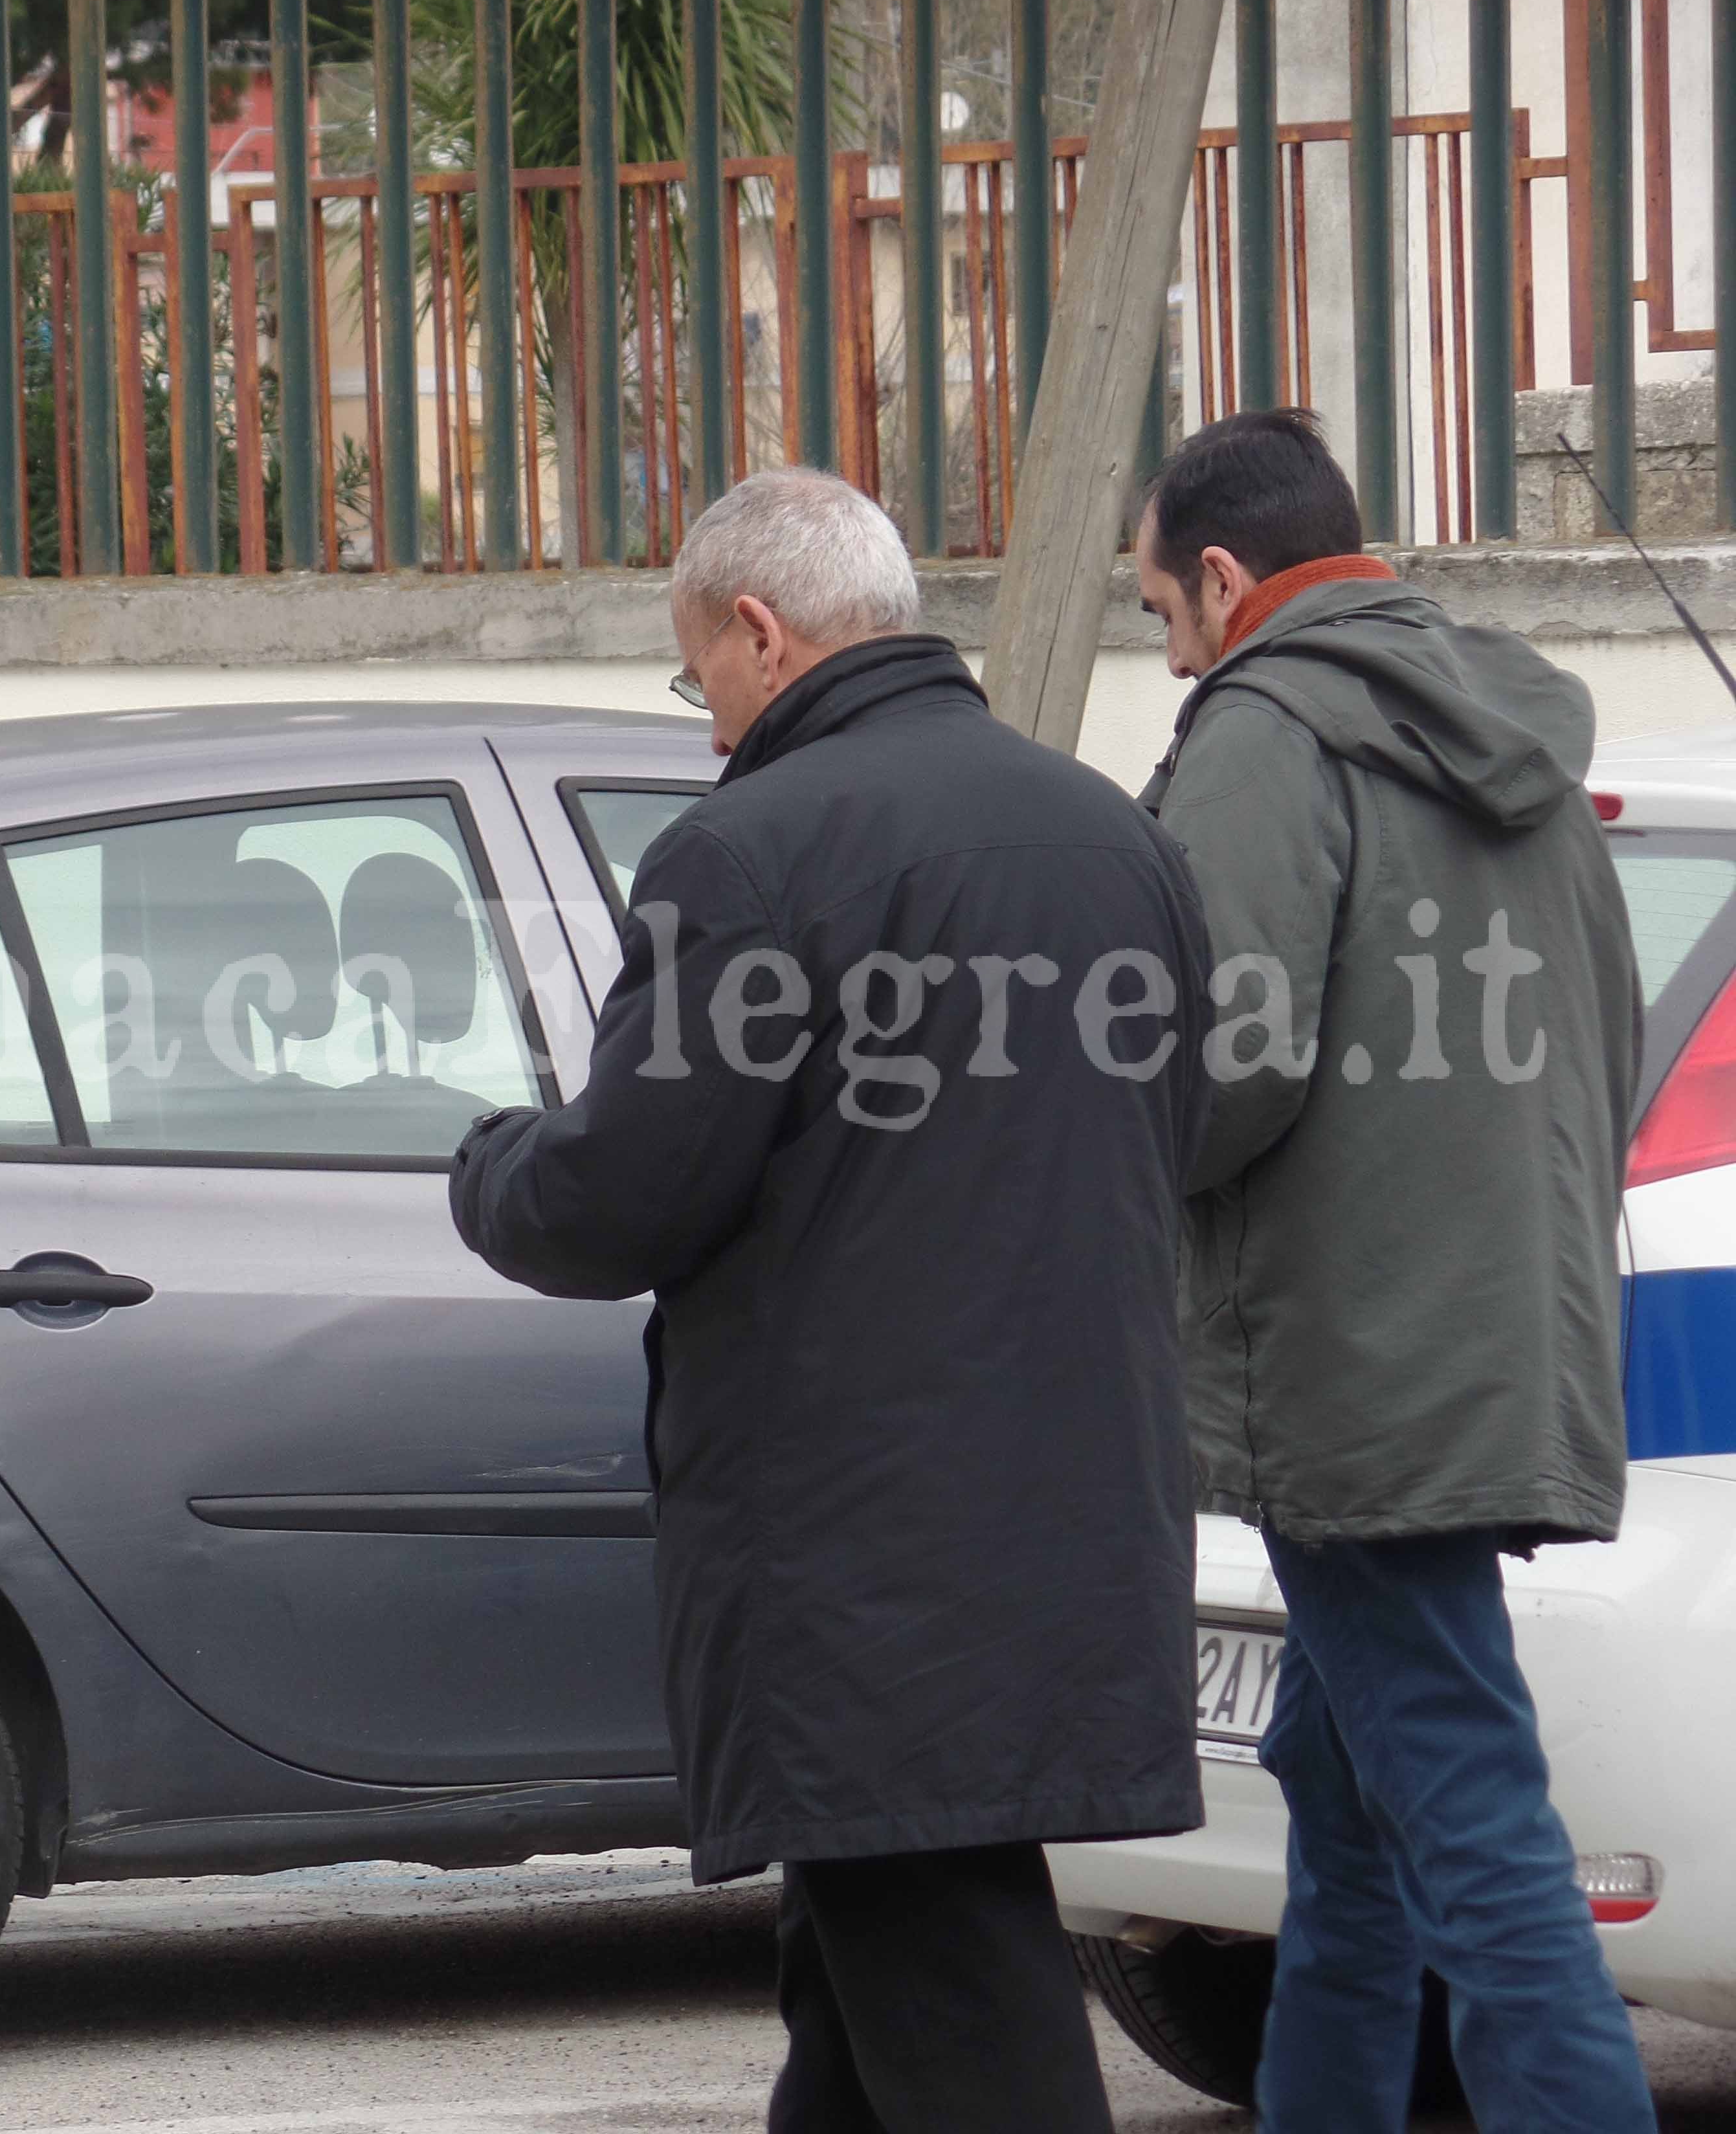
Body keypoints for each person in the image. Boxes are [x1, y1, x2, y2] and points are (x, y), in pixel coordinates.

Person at [450, 467, 1212, 2134]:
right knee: (866, 1988)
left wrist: (489, 1160)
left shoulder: (748, 858)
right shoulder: (1114, 842)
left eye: (695, 676)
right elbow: (1176, 1142)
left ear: (758, 629)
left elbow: (621, 1193)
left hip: (862, 1561)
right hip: (1073, 1511)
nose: (705, 720)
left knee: (962, 2003)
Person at [1135, 408, 1651, 2131]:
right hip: (1497, 1342)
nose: (1170, 649)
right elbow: (1605, 1034)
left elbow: (1220, 1065)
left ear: (1223, 580)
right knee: (1346, 1817)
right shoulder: (1505, 728)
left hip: (1349, 1375)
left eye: (1158, 614)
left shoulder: (1265, 730)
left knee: (1481, 1840)